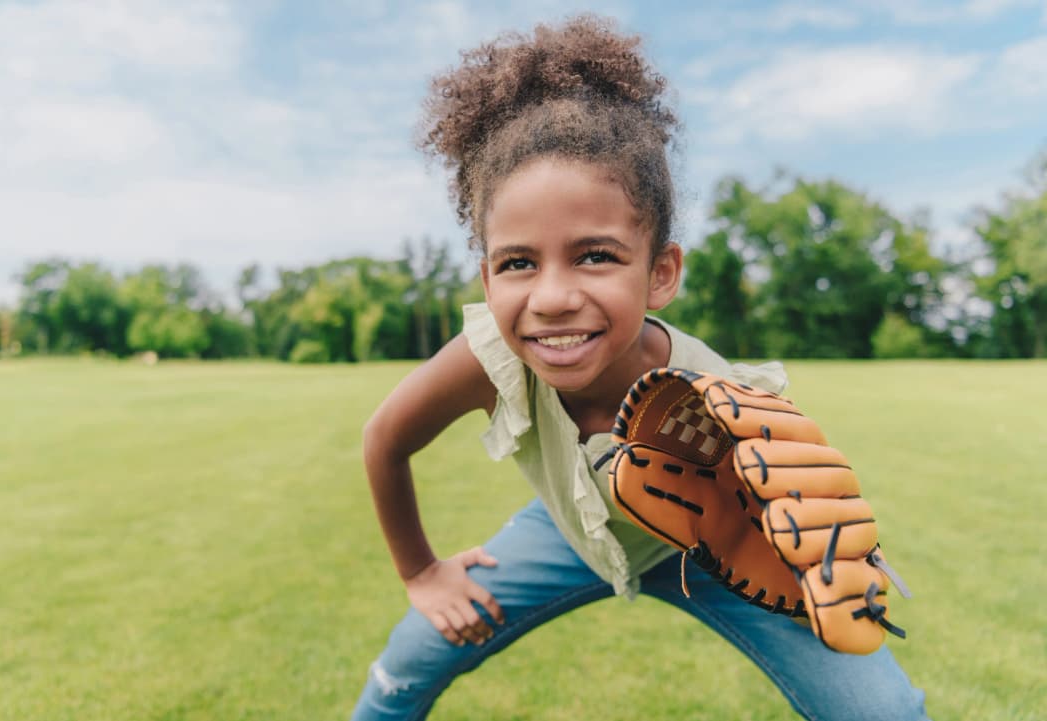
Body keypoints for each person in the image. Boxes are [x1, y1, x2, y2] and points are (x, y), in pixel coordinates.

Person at [352, 15, 929, 721]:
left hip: (709, 542)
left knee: (881, 712)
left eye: (596, 254)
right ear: (485, 276)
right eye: (518, 262)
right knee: (409, 660)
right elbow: (385, 439)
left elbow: (802, 502)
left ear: (660, 273)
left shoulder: (722, 396)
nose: (554, 297)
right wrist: (421, 571)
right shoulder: (490, 355)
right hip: (568, 530)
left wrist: (821, 555)